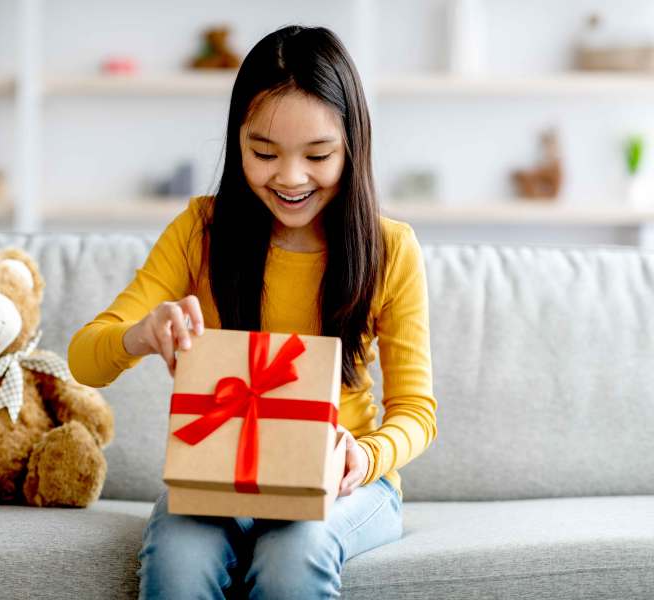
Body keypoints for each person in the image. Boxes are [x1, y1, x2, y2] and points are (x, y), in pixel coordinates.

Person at [68, 24, 438, 600]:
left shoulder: (390, 249)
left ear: (353, 147)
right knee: (177, 557)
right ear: (237, 140)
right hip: (219, 475)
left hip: (346, 484)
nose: (290, 178)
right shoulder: (201, 230)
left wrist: (364, 458)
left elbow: (416, 411)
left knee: (296, 553)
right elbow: (84, 360)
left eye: (318, 155)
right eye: (263, 153)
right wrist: (141, 334)